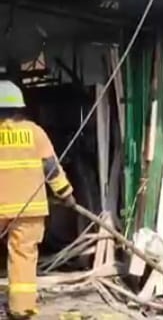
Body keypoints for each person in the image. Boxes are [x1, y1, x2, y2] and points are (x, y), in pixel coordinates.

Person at [0, 80, 76, 319]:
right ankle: (21, 309)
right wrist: (66, 195)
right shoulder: (35, 133)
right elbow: (52, 169)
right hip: (29, 211)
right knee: (23, 256)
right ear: (21, 108)